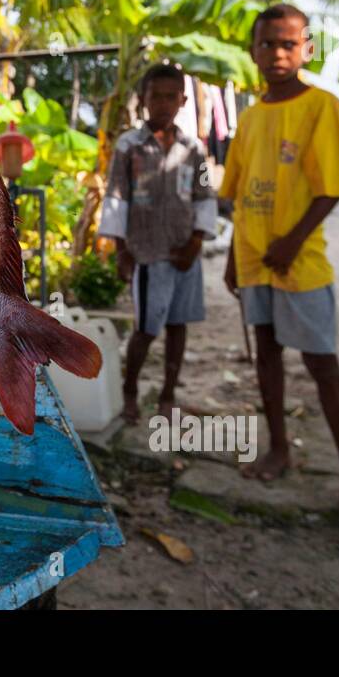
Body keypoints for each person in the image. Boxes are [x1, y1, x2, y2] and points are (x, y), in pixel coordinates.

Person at [219, 3, 339, 551]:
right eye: (267, 44)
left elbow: (331, 187)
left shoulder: (324, 106)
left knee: (322, 362)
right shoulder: (248, 118)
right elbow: (240, 192)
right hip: (253, 258)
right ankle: (279, 446)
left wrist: (292, 241)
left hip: (301, 258)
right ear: (252, 51)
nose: (277, 54)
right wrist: (233, 254)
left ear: (307, 50)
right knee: (267, 352)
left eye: (288, 44)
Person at [99, 64, 216, 425]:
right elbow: (117, 196)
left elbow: (203, 195)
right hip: (148, 254)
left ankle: (168, 393)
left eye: (171, 97)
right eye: (156, 96)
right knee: (147, 328)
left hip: (185, 253)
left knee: (178, 325)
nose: (163, 104)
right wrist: (120, 251)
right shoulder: (129, 146)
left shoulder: (193, 148)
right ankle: (131, 389)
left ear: (182, 100)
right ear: (143, 100)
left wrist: (197, 241)